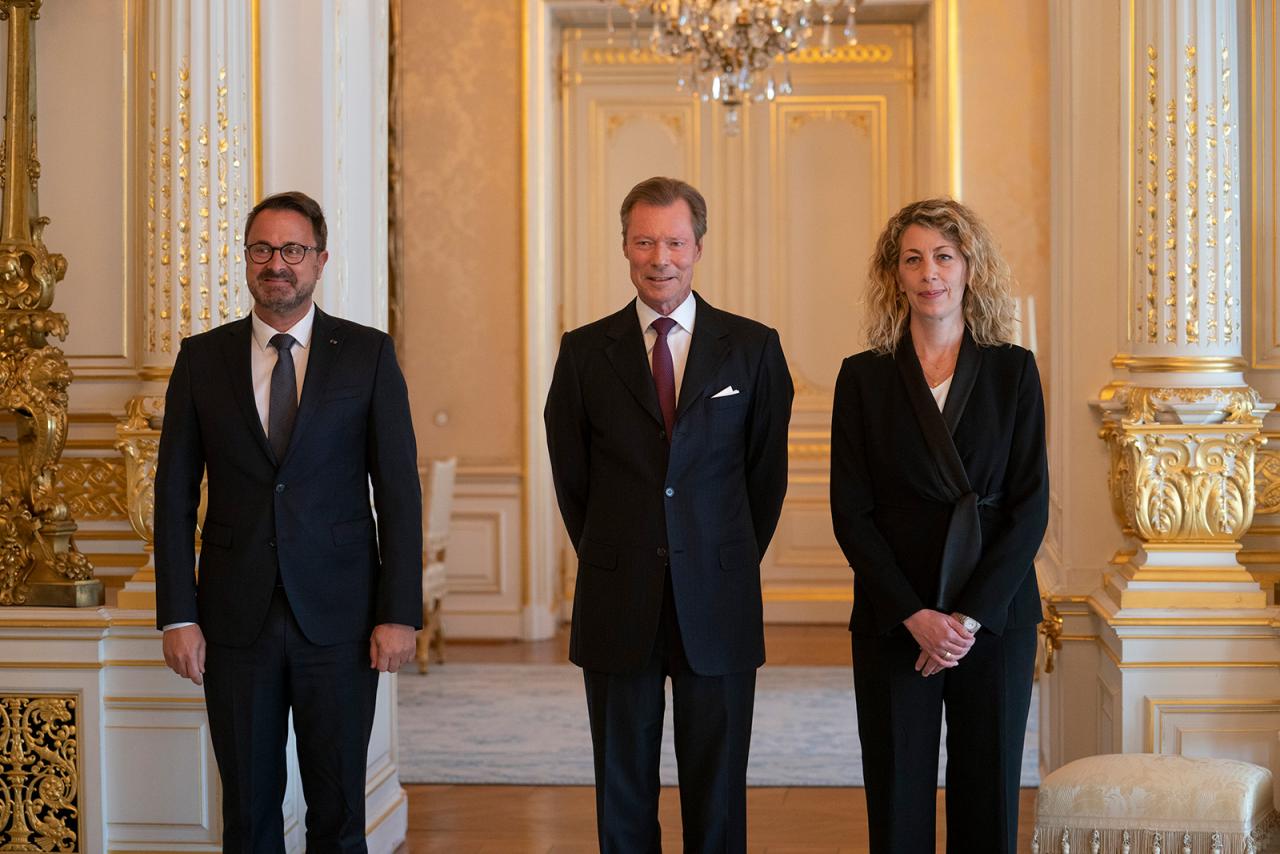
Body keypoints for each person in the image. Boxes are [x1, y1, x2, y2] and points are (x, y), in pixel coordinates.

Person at [153, 190, 423, 853]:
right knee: (247, 815)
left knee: (337, 814)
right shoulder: (201, 360)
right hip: (233, 621)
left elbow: (397, 493)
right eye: (264, 250)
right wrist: (176, 615)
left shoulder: (367, 355)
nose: (278, 264)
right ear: (246, 260)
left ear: (320, 260)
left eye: (293, 250)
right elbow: (174, 495)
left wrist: (399, 612)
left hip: (341, 620)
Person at [544, 176, 793, 853]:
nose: (661, 258)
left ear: (699, 247)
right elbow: (572, 477)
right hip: (617, 593)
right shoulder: (583, 352)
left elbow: (765, 476)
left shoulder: (752, 348)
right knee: (622, 786)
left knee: (718, 789)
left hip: (718, 595)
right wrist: (614, 547)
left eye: (675, 242)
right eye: (646, 241)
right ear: (625, 246)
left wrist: (719, 551)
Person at [829, 198, 1048, 852]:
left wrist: (966, 620)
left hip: (994, 617)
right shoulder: (862, 378)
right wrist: (916, 616)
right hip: (898, 616)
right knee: (897, 799)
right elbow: (852, 513)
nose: (930, 273)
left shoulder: (1013, 371)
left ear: (969, 269)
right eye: (914, 259)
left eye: (944, 257)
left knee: (988, 799)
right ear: (894, 274)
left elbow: (1029, 506)